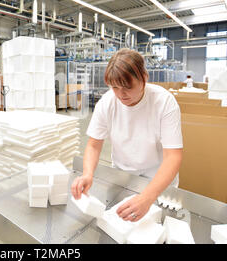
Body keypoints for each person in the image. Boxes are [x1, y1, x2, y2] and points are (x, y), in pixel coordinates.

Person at [71, 48, 183, 222]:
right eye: (115, 87)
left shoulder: (164, 102)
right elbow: (94, 144)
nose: (121, 94)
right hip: (122, 177)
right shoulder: (107, 102)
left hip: (157, 182)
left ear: (144, 78)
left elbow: (173, 157)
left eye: (128, 87)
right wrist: (87, 174)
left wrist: (147, 197)